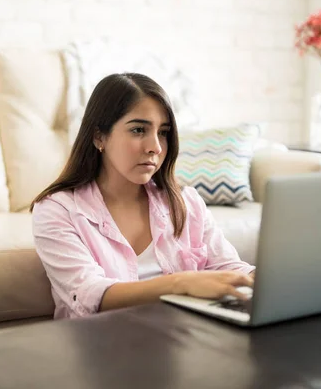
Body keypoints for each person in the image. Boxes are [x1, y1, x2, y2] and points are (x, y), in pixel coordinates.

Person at [31, 72, 255, 319]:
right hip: (101, 347)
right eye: (139, 130)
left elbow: (230, 269)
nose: (156, 147)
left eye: (163, 132)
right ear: (99, 136)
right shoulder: (57, 210)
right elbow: (89, 294)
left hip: (182, 339)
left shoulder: (186, 202)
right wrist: (182, 283)